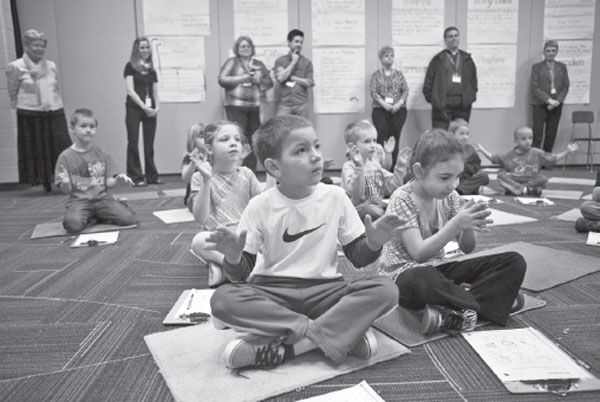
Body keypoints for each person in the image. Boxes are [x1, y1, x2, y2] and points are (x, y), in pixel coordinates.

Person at [207, 115, 406, 370]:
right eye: (301, 150)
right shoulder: (259, 205)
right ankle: (338, 333)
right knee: (222, 300)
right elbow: (240, 273)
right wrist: (233, 257)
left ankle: (292, 348)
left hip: (326, 291)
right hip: (273, 291)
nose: (315, 156)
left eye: (317, 146)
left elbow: (358, 257)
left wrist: (374, 243)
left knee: (386, 289)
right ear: (275, 167)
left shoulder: (335, 196)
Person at [378, 130, 526, 335]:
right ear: (419, 171)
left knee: (513, 261)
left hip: (439, 269)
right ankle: (480, 303)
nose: (453, 185)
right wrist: (456, 225)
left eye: (458, 177)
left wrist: (468, 228)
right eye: (445, 177)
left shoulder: (450, 197)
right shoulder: (401, 199)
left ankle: (454, 311)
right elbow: (419, 254)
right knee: (422, 277)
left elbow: (467, 248)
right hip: (403, 277)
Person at [189, 121, 263, 287]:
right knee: (198, 241)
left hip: (245, 237)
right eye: (224, 139)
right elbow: (201, 218)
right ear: (209, 149)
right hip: (220, 239)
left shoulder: (247, 174)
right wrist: (207, 180)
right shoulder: (200, 177)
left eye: (237, 139)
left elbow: (264, 205)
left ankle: (224, 269)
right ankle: (237, 267)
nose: (233, 143)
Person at [5, 29, 71, 193]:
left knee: (60, 143)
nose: (39, 48)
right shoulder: (15, 66)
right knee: (37, 148)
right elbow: (12, 90)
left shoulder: (51, 65)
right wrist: (19, 106)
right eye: (35, 45)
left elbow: (56, 86)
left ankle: (64, 178)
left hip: (54, 109)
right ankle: (43, 181)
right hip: (30, 113)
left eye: (42, 45)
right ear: (26, 45)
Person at [55, 109, 136, 233]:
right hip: (79, 202)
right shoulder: (65, 157)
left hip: (103, 200)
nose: (88, 130)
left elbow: (109, 182)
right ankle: (94, 216)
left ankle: (101, 214)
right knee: (72, 225)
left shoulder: (104, 155)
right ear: (72, 129)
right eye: (83, 126)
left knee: (129, 219)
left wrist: (118, 179)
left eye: (92, 127)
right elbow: (66, 190)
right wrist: (65, 182)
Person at [218, 36, 273, 172]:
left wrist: (259, 80)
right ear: (237, 48)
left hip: (254, 106)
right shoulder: (232, 62)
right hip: (235, 105)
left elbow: (269, 83)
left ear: (252, 48)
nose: (246, 49)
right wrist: (242, 78)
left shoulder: (258, 64)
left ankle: (250, 172)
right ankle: (235, 170)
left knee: (253, 140)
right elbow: (222, 80)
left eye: (248, 46)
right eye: (243, 46)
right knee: (238, 138)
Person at [341, 120, 411, 221]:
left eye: (374, 140)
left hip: (378, 207)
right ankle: (389, 222)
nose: (373, 145)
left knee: (400, 205)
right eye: (367, 141)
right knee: (370, 210)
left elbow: (393, 187)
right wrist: (359, 167)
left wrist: (400, 165)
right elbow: (356, 193)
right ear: (352, 147)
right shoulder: (349, 167)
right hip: (357, 210)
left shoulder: (375, 165)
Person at [477, 126, 578, 196]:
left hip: (531, 181)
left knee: (543, 179)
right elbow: (493, 158)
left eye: (530, 138)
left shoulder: (537, 153)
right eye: (524, 139)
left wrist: (567, 152)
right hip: (514, 180)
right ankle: (524, 190)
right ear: (516, 141)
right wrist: (482, 150)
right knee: (500, 177)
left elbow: (553, 159)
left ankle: (519, 190)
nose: (528, 141)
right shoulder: (508, 155)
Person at [423, 27, 478, 129]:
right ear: (445, 40)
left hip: (462, 105)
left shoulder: (467, 59)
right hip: (443, 105)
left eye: (456, 36)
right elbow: (428, 84)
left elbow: (474, 82)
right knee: (441, 137)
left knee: (459, 137)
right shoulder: (438, 60)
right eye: (450, 36)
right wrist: (435, 101)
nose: (454, 38)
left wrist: (470, 97)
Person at [124, 37, 161, 187]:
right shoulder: (130, 66)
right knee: (133, 142)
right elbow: (130, 90)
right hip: (134, 108)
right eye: (142, 48)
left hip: (150, 110)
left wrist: (157, 107)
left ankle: (152, 176)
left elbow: (155, 90)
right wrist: (143, 107)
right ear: (136, 50)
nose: (145, 50)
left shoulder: (151, 69)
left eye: (147, 47)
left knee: (149, 144)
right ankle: (136, 177)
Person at [370, 46, 409, 169]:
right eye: (386, 55)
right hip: (380, 109)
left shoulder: (399, 74)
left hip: (398, 110)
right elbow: (373, 92)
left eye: (392, 55)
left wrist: (399, 104)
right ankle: (381, 166)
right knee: (382, 136)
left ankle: (394, 168)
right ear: (381, 59)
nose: (390, 58)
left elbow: (405, 90)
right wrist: (385, 105)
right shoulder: (376, 75)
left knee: (394, 137)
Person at [530, 40, 570, 153]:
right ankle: (535, 160)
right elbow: (534, 88)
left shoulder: (562, 67)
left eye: (553, 51)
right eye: (548, 51)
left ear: (557, 52)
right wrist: (549, 100)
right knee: (537, 134)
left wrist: (557, 101)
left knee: (551, 133)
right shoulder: (536, 67)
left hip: (557, 105)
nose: (550, 53)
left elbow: (565, 87)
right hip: (539, 105)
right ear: (543, 52)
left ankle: (547, 159)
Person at [274, 29, 315, 118]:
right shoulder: (280, 61)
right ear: (289, 43)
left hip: (301, 105)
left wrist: (291, 77)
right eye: (296, 41)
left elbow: (309, 82)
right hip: (285, 105)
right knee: (280, 130)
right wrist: (293, 62)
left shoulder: (307, 62)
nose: (299, 44)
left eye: (301, 42)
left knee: (302, 131)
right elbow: (280, 78)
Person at [447, 119, 489, 195]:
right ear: (452, 134)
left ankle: (459, 190)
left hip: (465, 178)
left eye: (467, 134)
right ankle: (466, 189)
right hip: (451, 179)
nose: (465, 137)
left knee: (483, 176)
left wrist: (466, 169)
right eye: (461, 134)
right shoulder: (447, 148)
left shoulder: (469, 148)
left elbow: (476, 165)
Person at [181, 123, 205, 206]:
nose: (206, 139)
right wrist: (193, 162)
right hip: (194, 197)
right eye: (202, 137)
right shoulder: (188, 157)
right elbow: (186, 179)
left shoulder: (214, 156)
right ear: (193, 141)